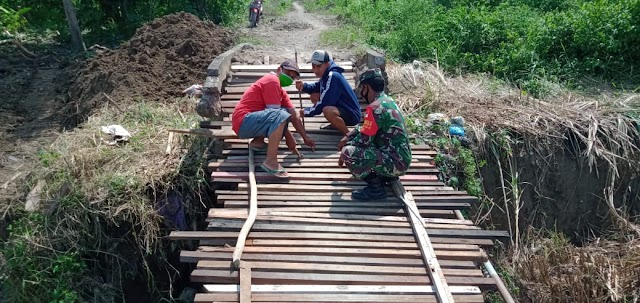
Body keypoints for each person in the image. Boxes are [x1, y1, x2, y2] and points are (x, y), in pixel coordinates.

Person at [232, 60, 316, 178]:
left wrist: (305, 138)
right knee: (280, 115)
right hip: (243, 121)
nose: (289, 78)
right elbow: (277, 117)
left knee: (284, 113)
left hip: (249, 122)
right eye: (288, 73)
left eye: (292, 77)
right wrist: (289, 137)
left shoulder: (280, 91)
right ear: (279, 69)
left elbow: (294, 115)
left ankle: (257, 142)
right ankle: (270, 161)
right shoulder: (272, 81)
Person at [338, 68, 412, 200]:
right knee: (361, 146)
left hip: (395, 163)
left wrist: (345, 152)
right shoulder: (387, 100)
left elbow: (364, 140)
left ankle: (375, 189)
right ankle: (386, 176)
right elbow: (368, 127)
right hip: (401, 159)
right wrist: (350, 134)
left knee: (348, 152)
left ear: (366, 87)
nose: (360, 93)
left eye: (361, 88)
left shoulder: (374, 108)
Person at [295, 50, 362, 136]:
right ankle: (336, 124)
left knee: (327, 110)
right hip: (341, 107)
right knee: (314, 96)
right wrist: (303, 86)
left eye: (319, 66)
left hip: (352, 115)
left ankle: (348, 136)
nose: (315, 70)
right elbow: (317, 87)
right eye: (313, 66)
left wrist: (304, 112)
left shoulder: (333, 76)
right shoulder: (326, 74)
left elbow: (323, 104)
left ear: (327, 64)